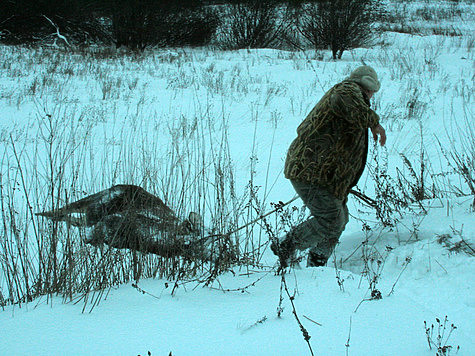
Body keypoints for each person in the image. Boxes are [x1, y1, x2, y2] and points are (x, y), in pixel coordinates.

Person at [272, 65, 386, 269]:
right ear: (366, 86)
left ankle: (317, 261)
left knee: (339, 219)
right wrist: (374, 122)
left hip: (328, 176)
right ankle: (286, 246)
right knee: (331, 219)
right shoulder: (347, 91)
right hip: (311, 170)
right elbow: (352, 109)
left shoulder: (355, 98)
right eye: (371, 90)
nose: (371, 95)